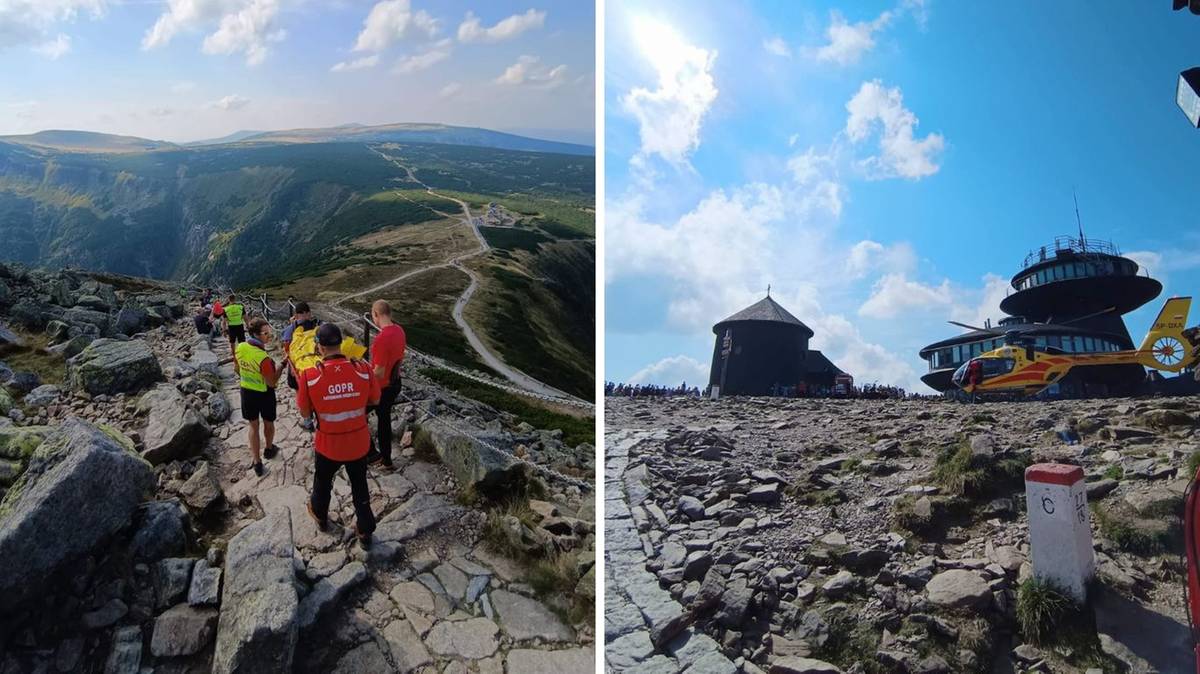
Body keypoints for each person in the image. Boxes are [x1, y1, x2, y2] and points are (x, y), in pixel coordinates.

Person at [297, 323, 379, 548]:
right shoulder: (362, 369)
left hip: (328, 444)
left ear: (320, 347)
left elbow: (305, 412)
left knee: (322, 482)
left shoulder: (310, 375)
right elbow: (376, 399)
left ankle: (321, 516)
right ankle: (365, 530)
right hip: (358, 442)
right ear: (341, 343)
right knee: (359, 484)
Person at [237, 318, 281, 477]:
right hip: (264, 394)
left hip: (247, 392)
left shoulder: (240, 347)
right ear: (255, 334)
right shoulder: (264, 358)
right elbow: (272, 382)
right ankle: (269, 449)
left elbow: (237, 367)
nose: (269, 336)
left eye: (269, 332)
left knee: (253, 427)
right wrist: (281, 367)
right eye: (265, 333)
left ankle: (257, 462)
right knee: (269, 424)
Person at [365, 300, 406, 471]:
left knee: (358, 414)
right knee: (384, 421)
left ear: (376, 314)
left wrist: (361, 376)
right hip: (395, 382)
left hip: (382, 387)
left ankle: (372, 454)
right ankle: (387, 460)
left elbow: (379, 372)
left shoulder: (381, 339)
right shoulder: (399, 330)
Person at [282, 301, 320, 431]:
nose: (304, 315)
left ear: (295, 315)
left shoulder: (290, 329)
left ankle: (307, 421)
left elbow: (286, 347)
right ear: (309, 313)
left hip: (298, 366)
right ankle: (318, 418)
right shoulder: (318, 326)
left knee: (300, 392)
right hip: (316, 365)